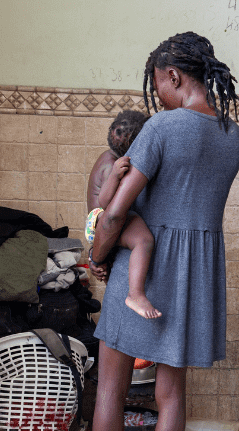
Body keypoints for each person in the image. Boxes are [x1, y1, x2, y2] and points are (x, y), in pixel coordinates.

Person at [86, 31, 239, 431]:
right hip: (196, 276)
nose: (159, 97)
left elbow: (113, 213)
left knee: (110, 387)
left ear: (174, 76)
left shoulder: (162, 128)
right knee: (171, 395)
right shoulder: (232, 134)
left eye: (160, 86)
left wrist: (96, 256)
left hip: (146, 269)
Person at [85, 110, 161, 319]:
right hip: (103, 221)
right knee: (143, 240)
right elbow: (109, 207)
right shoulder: (114, 165)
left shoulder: (111, 157)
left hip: (102, 224)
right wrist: (98, 255)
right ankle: (135, 294)